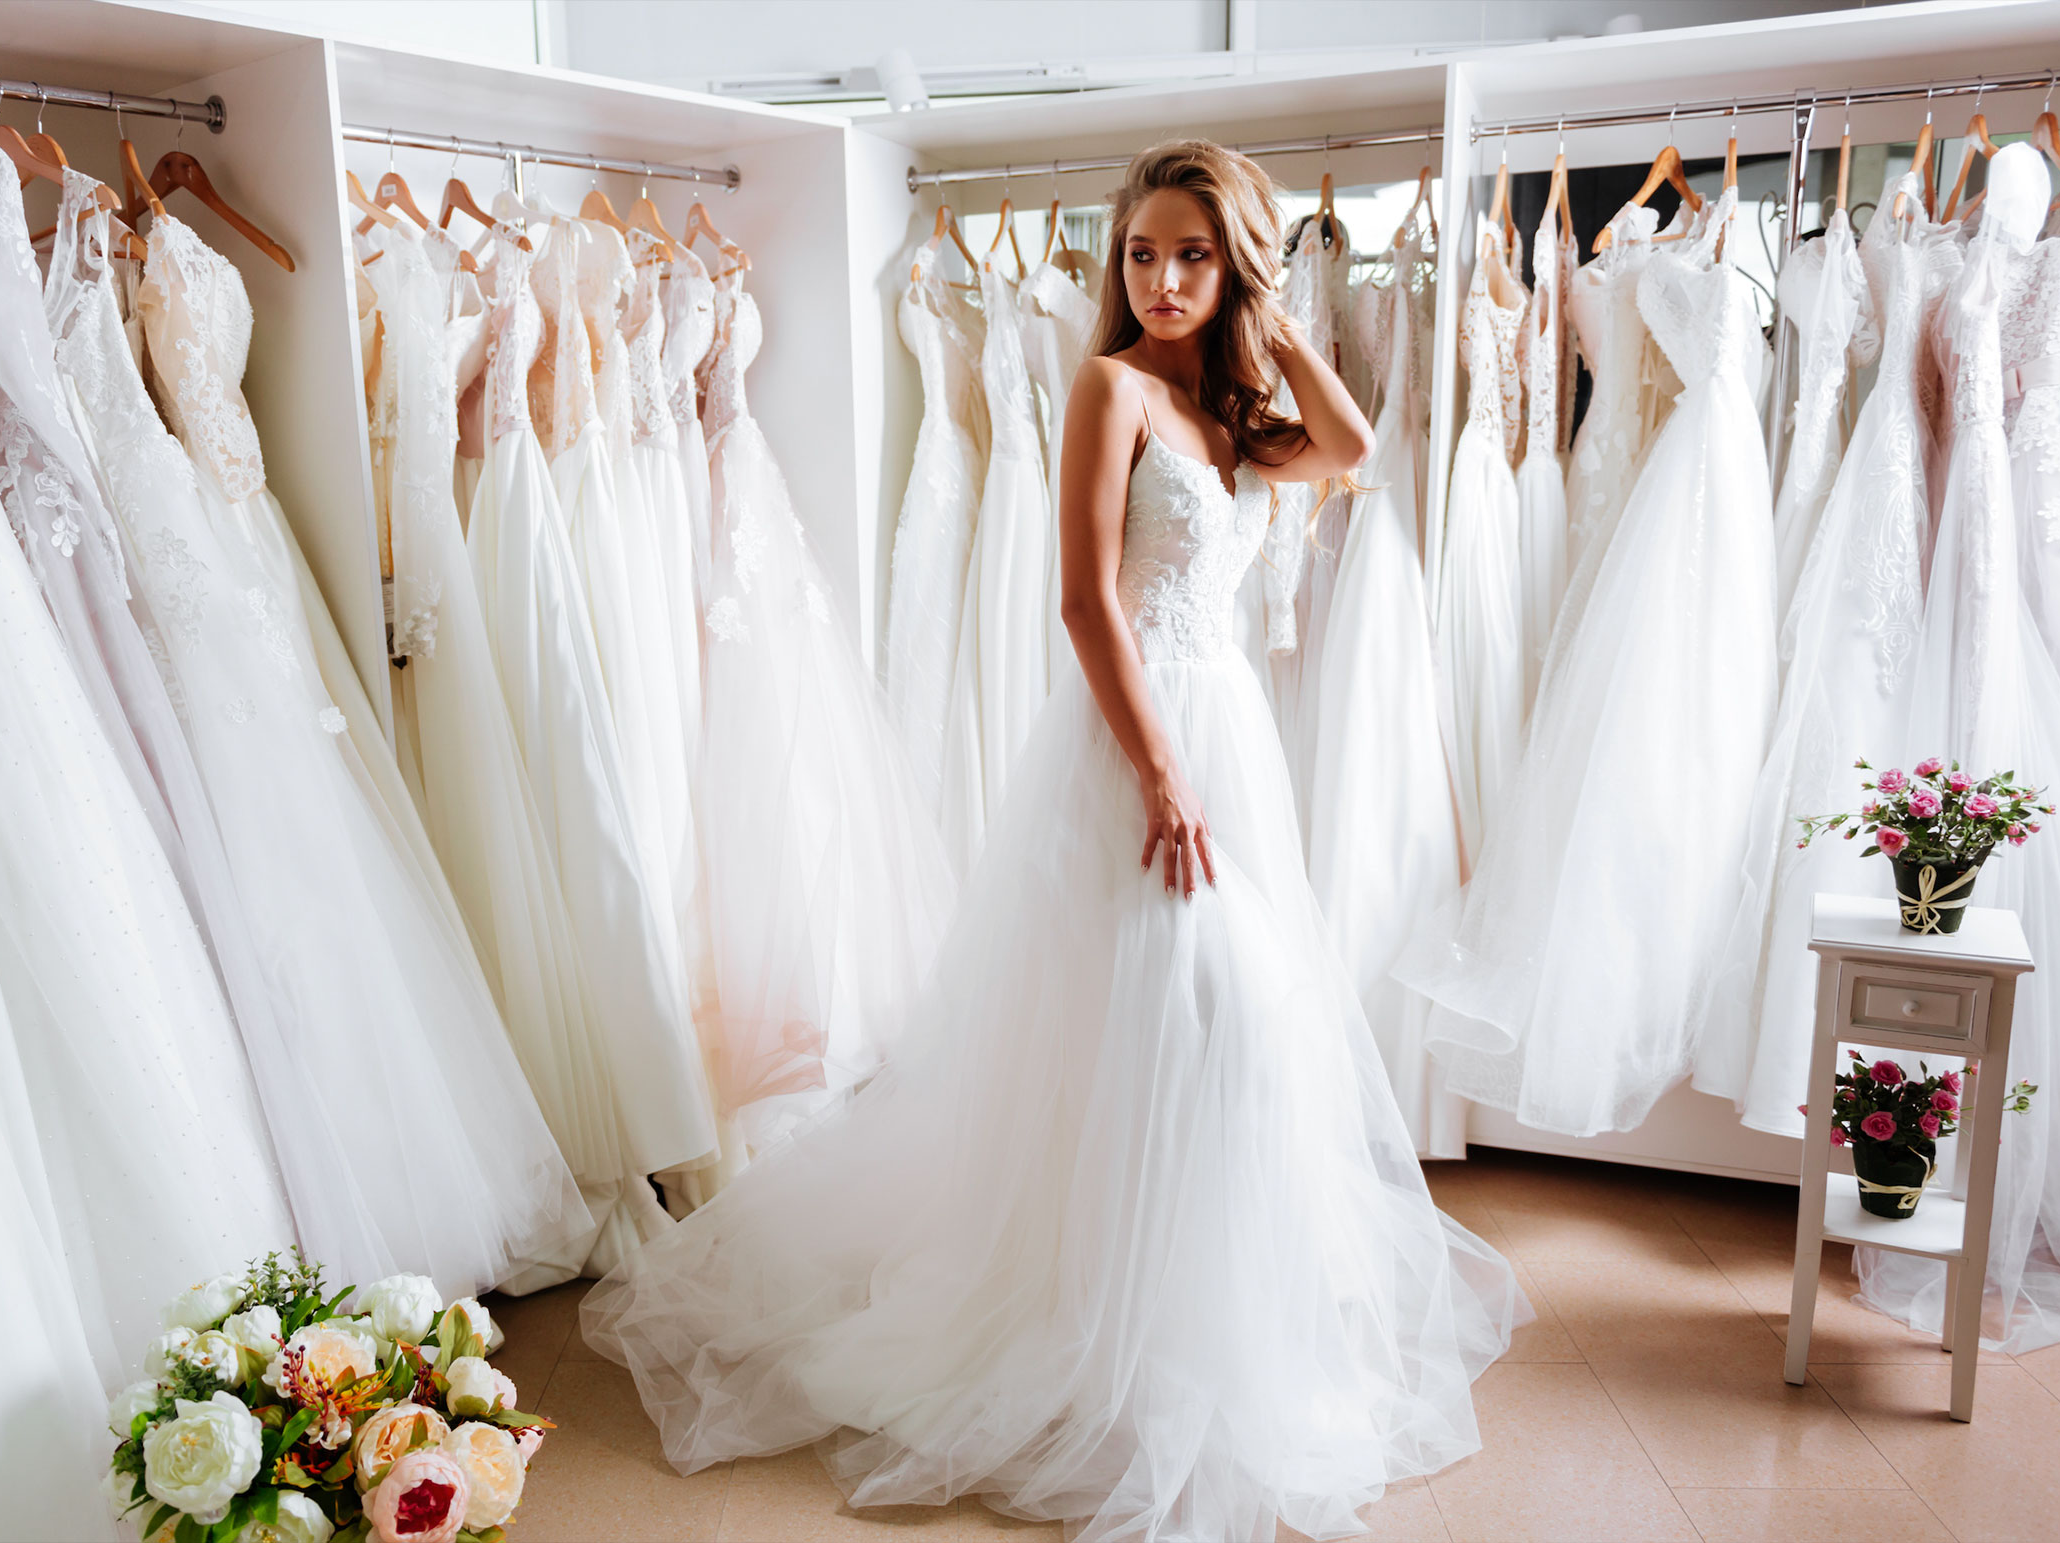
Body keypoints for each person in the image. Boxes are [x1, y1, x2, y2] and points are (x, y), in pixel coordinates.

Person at [582, 141, 1527, 1543]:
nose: (1159, 279)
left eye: (1192, 254)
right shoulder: (1112, 391)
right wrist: (1158, 778)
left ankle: (1185, 1306)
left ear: (1237, 264)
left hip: (1224, 746)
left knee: (1220, 1031)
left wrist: (1264, 321)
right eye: (1142, 254)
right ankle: (1103, 1322)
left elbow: (1357, 449)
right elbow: (1085, 603)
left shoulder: (1228, 415)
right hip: (1138, 747)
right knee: (1180, 1009)